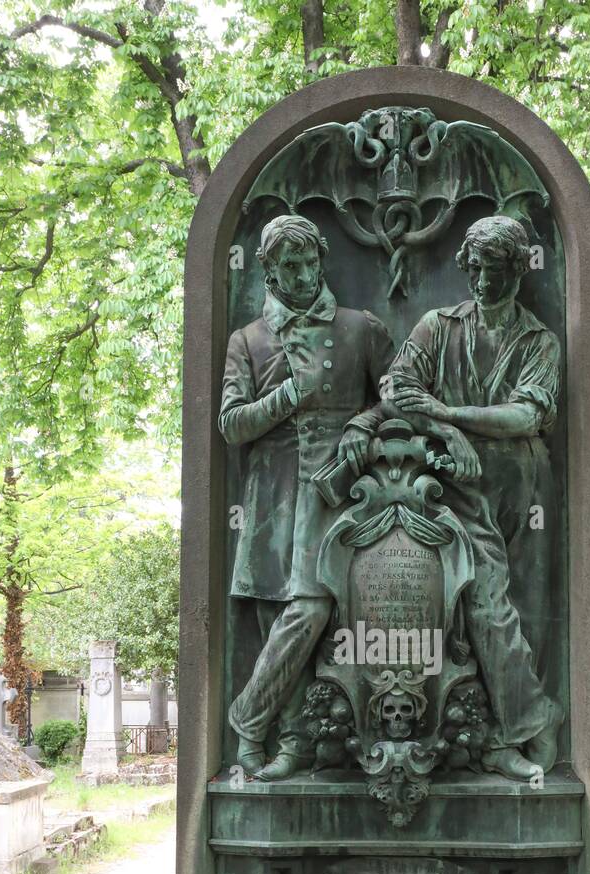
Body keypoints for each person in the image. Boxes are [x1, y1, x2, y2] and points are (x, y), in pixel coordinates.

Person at [347, 214, 562, 777]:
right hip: (454, 488)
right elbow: (396, 388)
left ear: (518, 269)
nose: (484, 279)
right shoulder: (437, 326)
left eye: (496, 267)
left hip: (524, 485)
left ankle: (502, 730)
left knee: (526, 610)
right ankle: (521, 731)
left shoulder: (539, 340)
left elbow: (528, 414)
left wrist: (449, 412)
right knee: (486, 605)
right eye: (477, 267)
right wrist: (449, 432)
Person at [219, 215, 394, 779]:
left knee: (315, 605)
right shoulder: (247, 341)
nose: (300, 275)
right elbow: (232, 424)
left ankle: (247, 719)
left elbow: (399, 397)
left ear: (322, 261)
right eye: (287, 267)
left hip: (337, 495)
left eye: (308, 263)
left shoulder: (360, 328)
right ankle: (287, 743)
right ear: (268, 272)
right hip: (272, 496)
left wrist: (364, 427)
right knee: (277, 614)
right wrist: (288, 395)